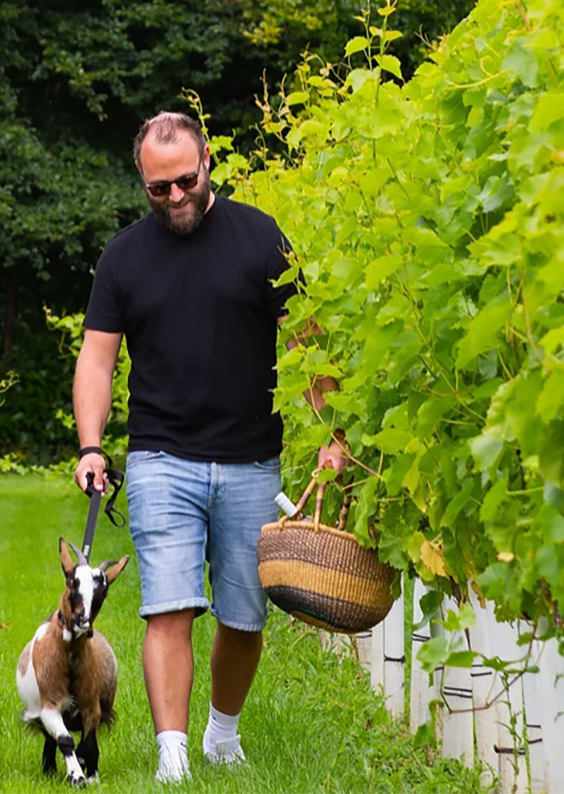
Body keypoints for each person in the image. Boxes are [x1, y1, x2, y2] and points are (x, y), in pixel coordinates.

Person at [71, 111, 347, 783]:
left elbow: (306, 346)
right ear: (143, 184)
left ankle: (222, 732)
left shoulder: (260, 239)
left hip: (253, 459)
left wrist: (335, 433)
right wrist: (92, 445)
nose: (174, 198)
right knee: (168, 605)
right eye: (157, 189)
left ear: (207, 167)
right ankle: (173, 755)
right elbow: (97, 362)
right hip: (162, 457)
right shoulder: (124, 257)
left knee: (245, 616)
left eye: (184, 182)